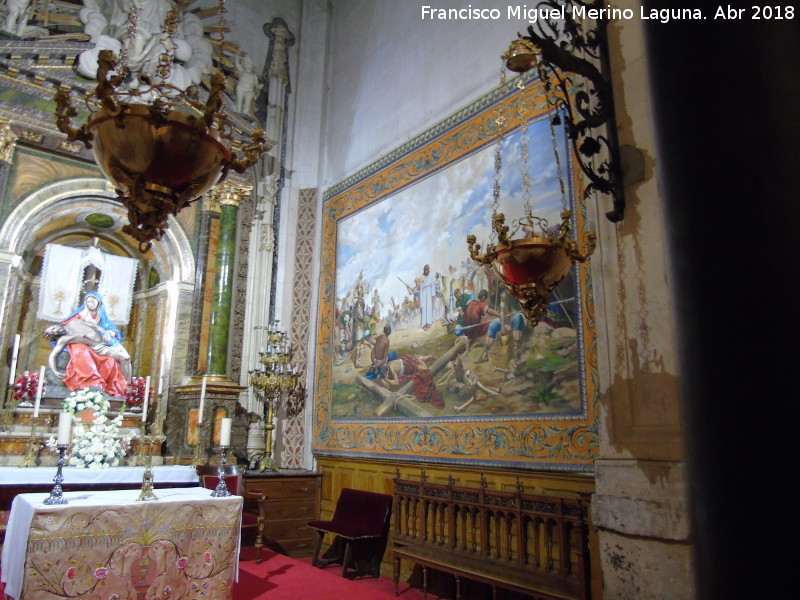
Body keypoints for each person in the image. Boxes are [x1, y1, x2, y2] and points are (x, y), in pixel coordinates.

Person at [52, 291, 130, 395]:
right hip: (96, 346)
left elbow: (109, 329)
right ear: (85, 302)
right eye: (88, 301)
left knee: (127, 358)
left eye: (93, 301)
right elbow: (66, 328)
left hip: (108, 342)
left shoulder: (102, 317)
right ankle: (125, 386)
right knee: (122, 359)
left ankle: (127, 386)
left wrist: (108, 332)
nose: (91, 304)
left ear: (98, 303)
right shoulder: (78, 318)